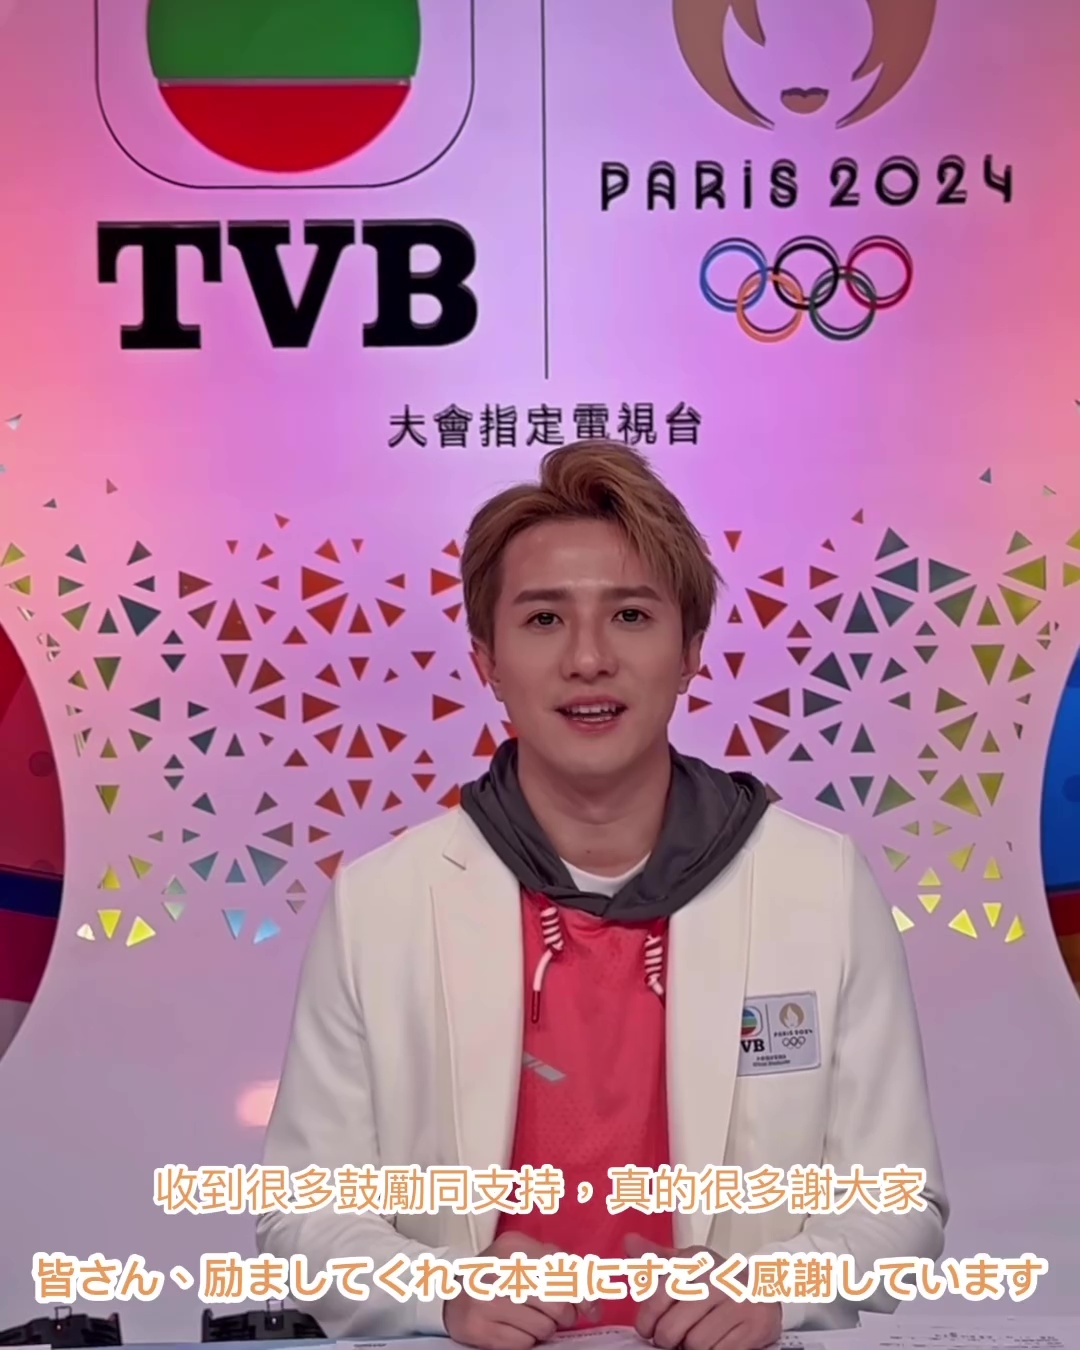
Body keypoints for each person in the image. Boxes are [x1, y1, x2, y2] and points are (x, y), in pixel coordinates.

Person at [256, 440, 947, 1350]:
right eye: (544, 619)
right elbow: (302, 1212)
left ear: (691, 652)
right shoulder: (383, 902)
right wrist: (444, 1292)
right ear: (486, 660)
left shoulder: (815, 882)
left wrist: (772, 1290)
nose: (588, 658)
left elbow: (900, 1205)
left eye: (630, 615)